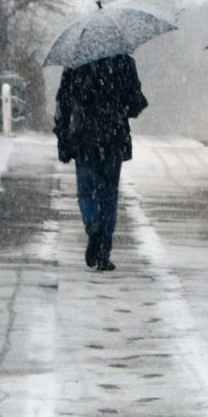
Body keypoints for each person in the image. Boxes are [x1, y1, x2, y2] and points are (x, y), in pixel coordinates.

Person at [54, 53, 147, 272]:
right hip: (113, 138)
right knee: (109, 194)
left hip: (84, 136)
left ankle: (93, 226)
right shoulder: (123, 61)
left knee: (86, 192)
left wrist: (63, 137)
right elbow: (135, 104)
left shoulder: (75, 62)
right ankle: (104, 253)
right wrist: (122, 105)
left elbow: (63, 103)